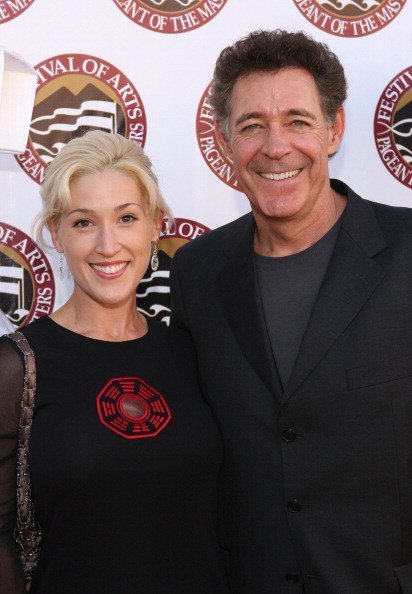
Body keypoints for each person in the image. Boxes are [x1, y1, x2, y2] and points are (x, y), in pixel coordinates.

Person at [170, 29, 412, 594]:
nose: (276, 146)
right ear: (226, 140)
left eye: (298, 121)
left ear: (335, 130)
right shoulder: (197, 272)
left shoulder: (408, 252)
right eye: (252, 125)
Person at [0, 130, 229, 594]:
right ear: (55, 234)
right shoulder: (17, 367)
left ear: (155, 226)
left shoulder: (190, 352)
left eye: (126, 218)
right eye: (84, 222)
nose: (108, 245)